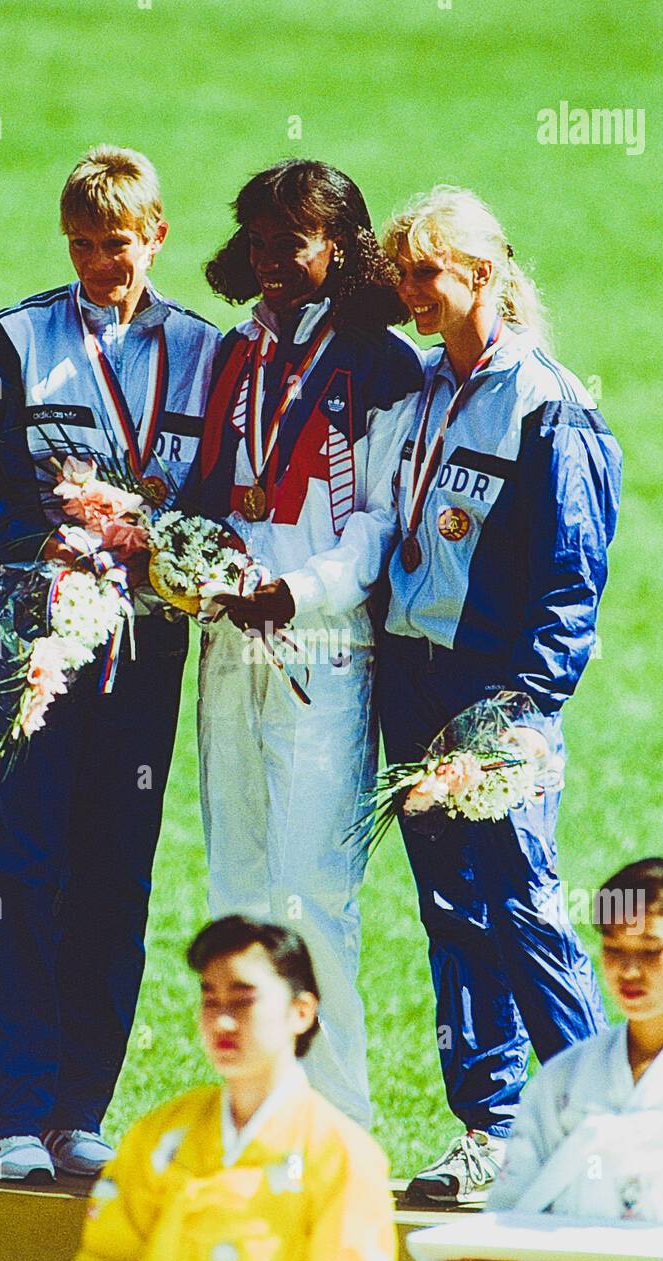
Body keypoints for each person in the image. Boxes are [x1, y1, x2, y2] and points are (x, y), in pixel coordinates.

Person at [0, 146, 221, 1180]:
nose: (103, 264)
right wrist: (43, 539)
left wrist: (183, 549)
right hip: (40, 641)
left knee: (113, 872)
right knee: (19, 868)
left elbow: (228, 489)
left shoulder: (203, 351)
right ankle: (10, 1114)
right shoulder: (14, 341)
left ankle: (76, 1109)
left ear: (158, 238)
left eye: (121, 245)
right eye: (85, 247)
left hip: (146, 650)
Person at [377, 186, 622, 1204]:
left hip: (494, 696)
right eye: (403, 275)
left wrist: (520, 712)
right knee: (452, 911)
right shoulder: (423, 389)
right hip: (409, 682)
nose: (411, 292)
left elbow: (571, 579)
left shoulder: (548, 405)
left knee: (523, 905)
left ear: (482, 273)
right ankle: (488, 1128)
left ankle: (601, 1135)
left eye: (426, 273)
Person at [187, 160, 423, 1129]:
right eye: (257, 237)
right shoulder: (237, 354)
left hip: (322, 652)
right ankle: (254, 1119)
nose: (271, 256)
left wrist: (301, 589)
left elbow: (377, 522)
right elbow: (210, 492)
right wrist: (191, 565)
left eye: (293, 237)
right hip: (228, 652)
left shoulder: (381, 363)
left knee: (311, 896)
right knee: (239, 893)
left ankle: (338, 1130)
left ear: (340, 246)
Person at [443, 859, 663, 1261]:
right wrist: (495, 1257)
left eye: (650, 951)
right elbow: (511, 1209)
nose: (629, 972)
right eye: (615, 950)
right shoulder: (565, 1077)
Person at [71, 917, 396, 1261]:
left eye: (243, 1000)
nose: (222, 1020)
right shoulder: (159, 1136)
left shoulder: (342, 1156)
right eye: (210, 1000)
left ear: (302, 1012)